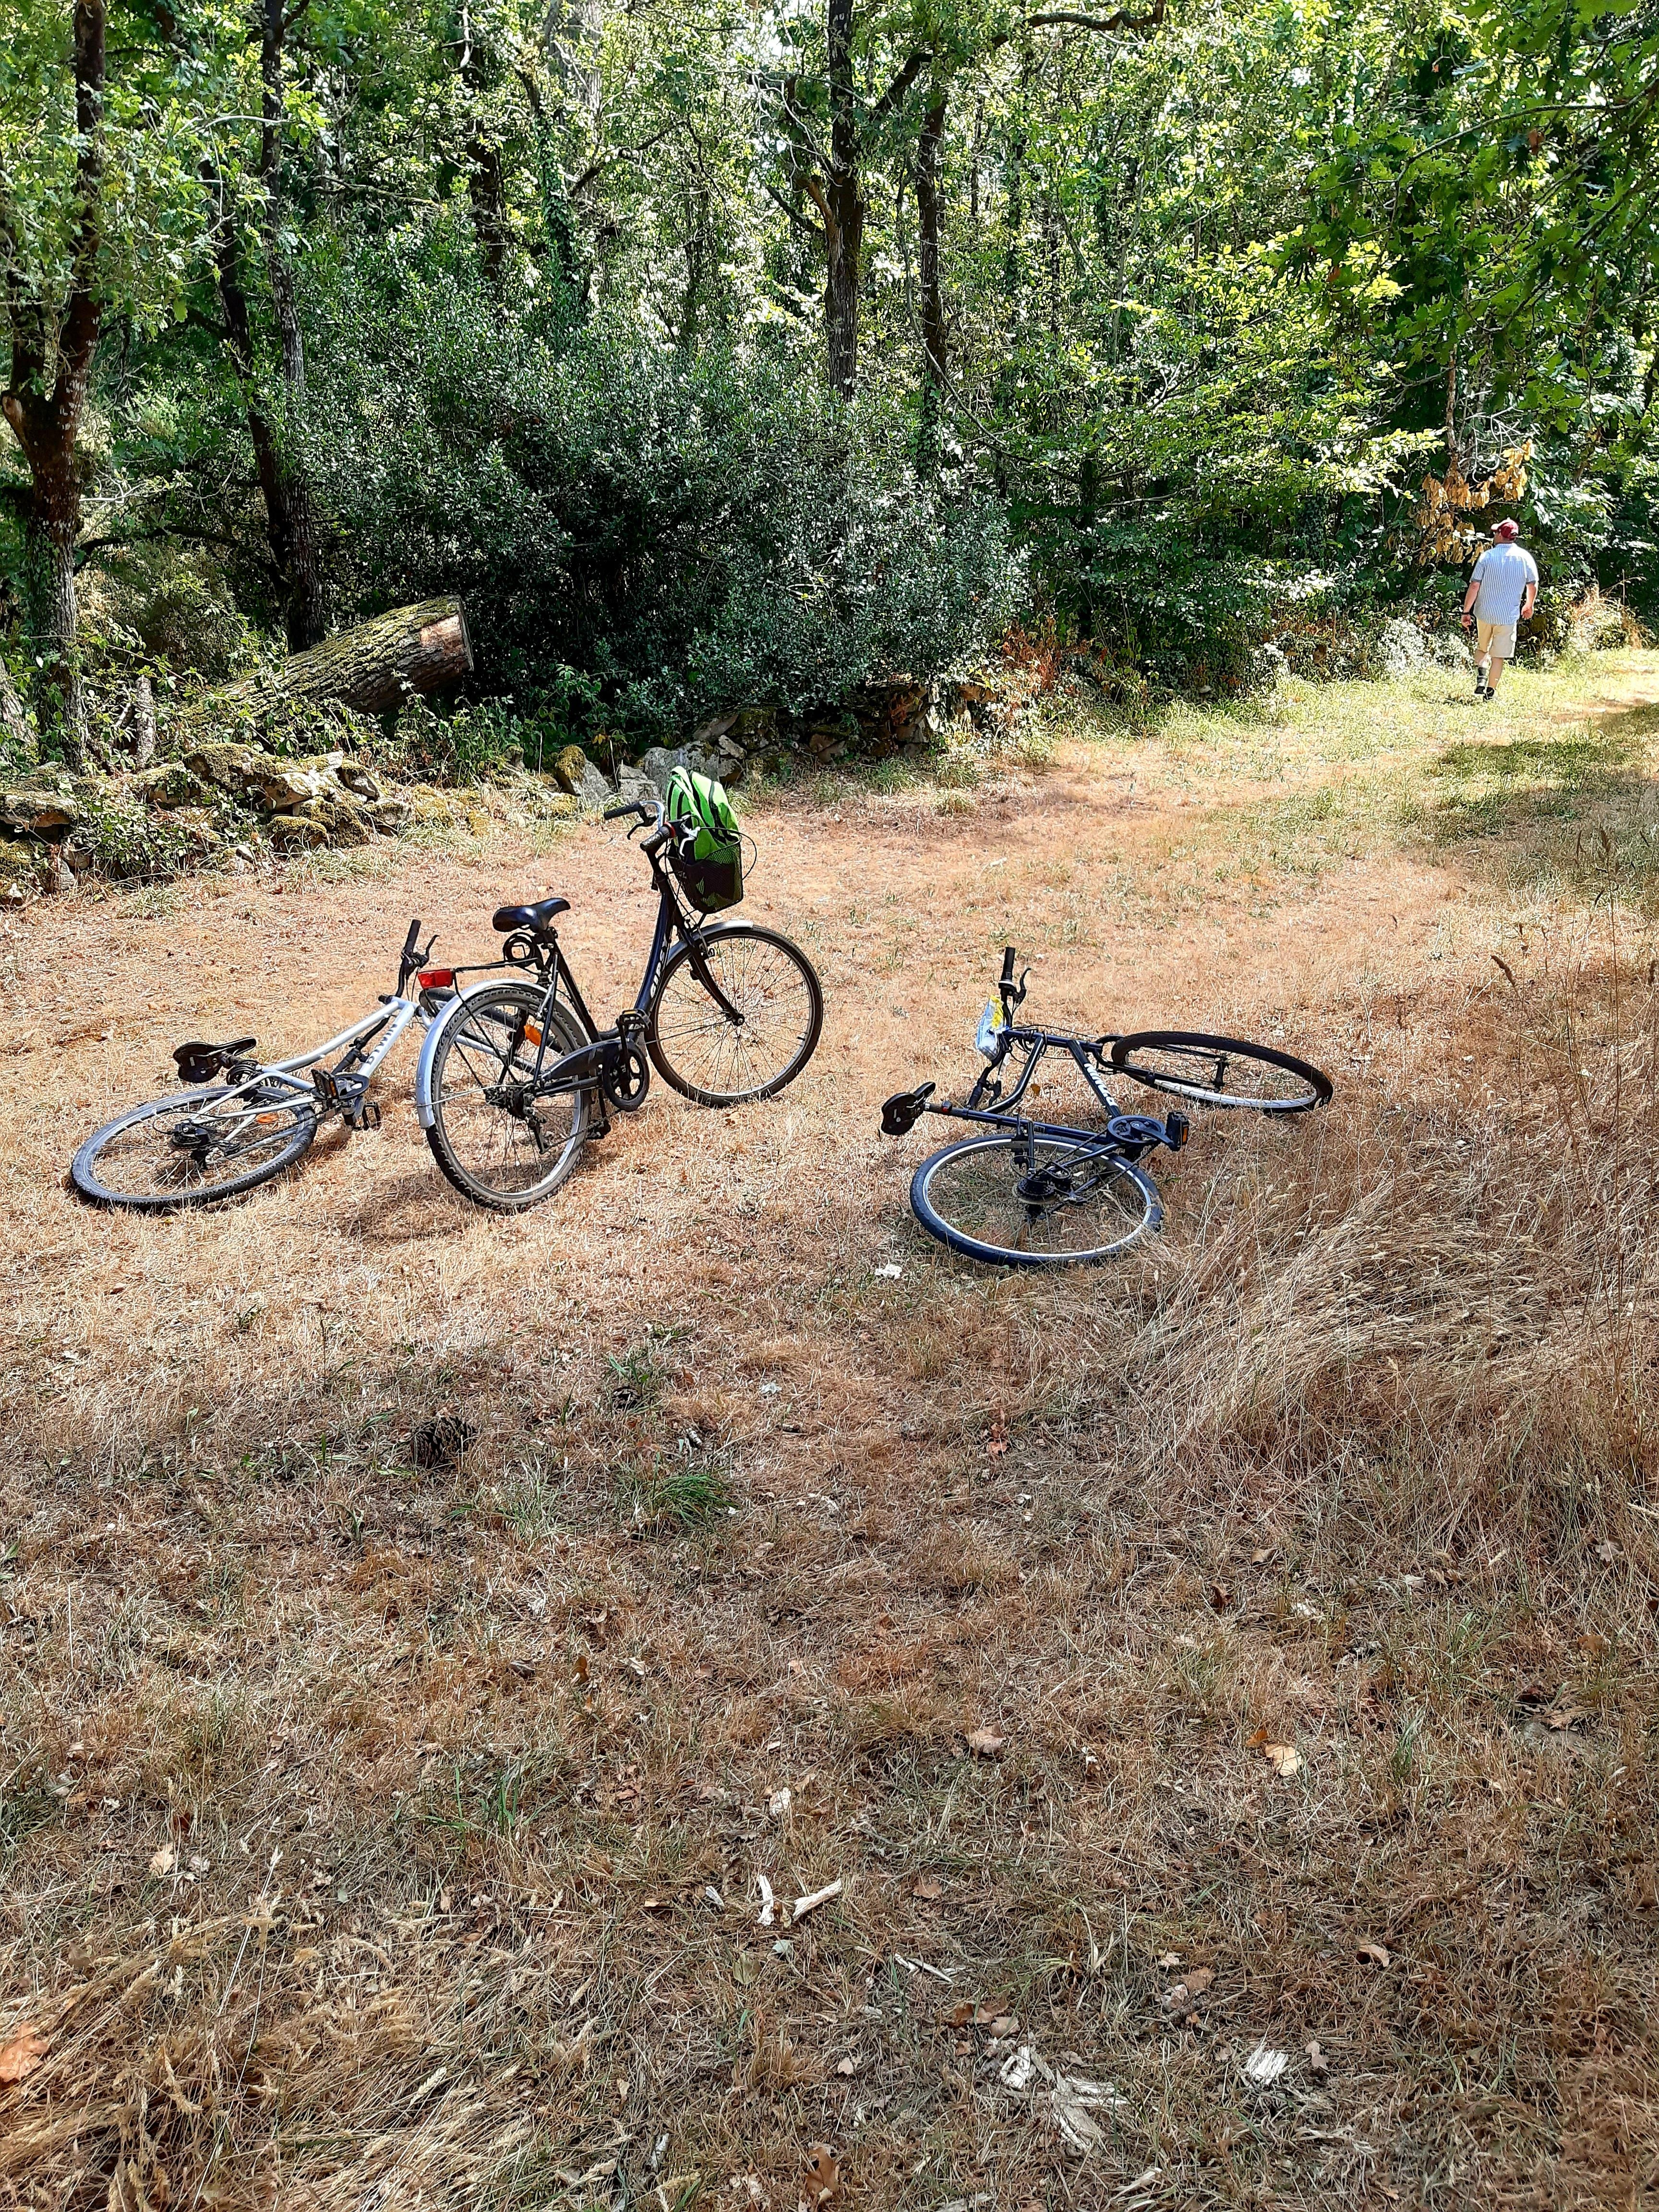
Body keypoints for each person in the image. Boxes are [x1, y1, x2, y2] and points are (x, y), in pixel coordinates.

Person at [1460, 518, 1538, 701]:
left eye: (1495, 533)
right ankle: (1490, 693)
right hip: (1508, 616)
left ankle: (1481, 677)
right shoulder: (1525, 558)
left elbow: (1474, 586)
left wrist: (1466, 612)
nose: (1494, 536)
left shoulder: (1487, 557)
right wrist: (1529, 605)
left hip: (1484, 613)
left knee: (1482, 648)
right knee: (1499, 657)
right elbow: (1532, 585)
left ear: (1500, 536)